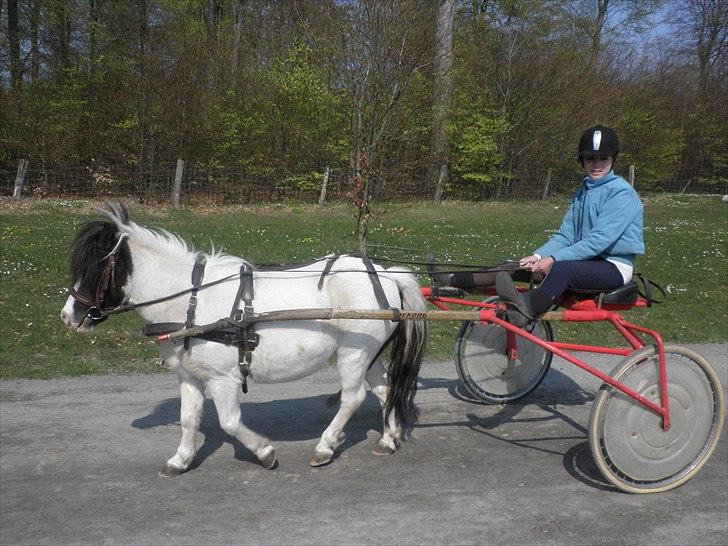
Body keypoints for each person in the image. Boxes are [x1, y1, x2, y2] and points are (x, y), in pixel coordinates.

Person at [495, 124, 645, 327]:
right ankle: (450, 280)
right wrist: (538, 256)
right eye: (590, 158)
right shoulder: (583, 191)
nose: (596, 164)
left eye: (603, 159)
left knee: (561, 269)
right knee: (515, 267)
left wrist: (553, 259)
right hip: (584, 262)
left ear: (613, 160)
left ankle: (524, 311)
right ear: (582, 160)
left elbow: (597, 242)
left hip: (614, 266)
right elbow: (566, 235)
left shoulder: (621, 193)